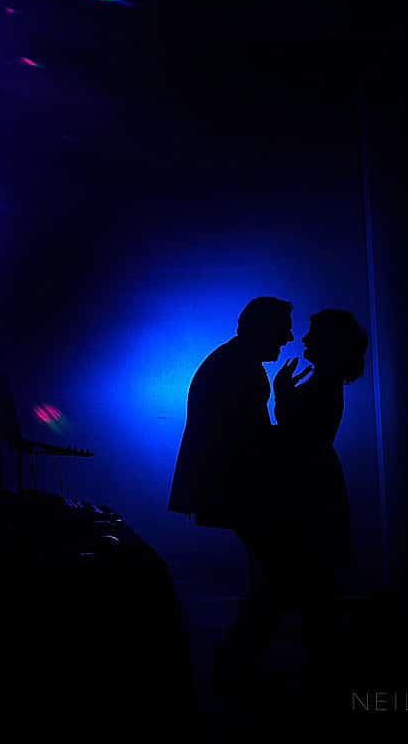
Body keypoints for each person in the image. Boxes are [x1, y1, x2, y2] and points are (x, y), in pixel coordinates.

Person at [168, 296, 303, 690]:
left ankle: (237, 661)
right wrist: (290, 411)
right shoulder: (243, 370)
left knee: (274, 572)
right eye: (283, 328)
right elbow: (253, 441)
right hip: (237, 488)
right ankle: (235, 662)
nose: (289, 337)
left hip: (227, 486)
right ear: (263, 328)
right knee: (281, 574)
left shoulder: (232, 362)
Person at [273, 308, 371, 678]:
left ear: (329, 342)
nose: (305, 338)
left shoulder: (324, 381)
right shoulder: (326, 379)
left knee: (313, 574)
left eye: (313, 333)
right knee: (317, 576)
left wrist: (282, 395)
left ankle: (324, 666)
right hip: (316, 477)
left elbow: (298, 432)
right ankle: (325, 663)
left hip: (311, 482)